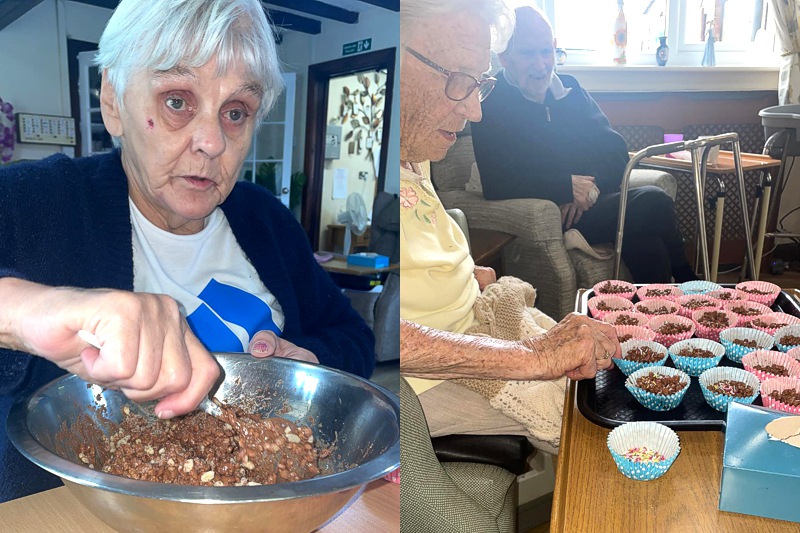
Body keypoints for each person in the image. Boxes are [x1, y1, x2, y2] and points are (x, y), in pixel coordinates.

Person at [0, 0, 374, 502]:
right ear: (113, 100)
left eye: (235, 112)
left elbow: (352, 336)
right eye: (177, 100)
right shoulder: (31, 201)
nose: (212, 142)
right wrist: (38, 310)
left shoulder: (266, 220)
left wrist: (309, 362)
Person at [399, 0, 618, 455]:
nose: (475, 111)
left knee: (607, 375)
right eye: (459, 80)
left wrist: (463, 277)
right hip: (422, 381)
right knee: (600, 429)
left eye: (479, 84)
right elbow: (377, 335)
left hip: (474, 320)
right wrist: (535, 357)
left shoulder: (412, 143)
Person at [471, 5, 697, 284]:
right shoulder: (490, 103)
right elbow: (497, 183)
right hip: (555, 217)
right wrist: (566, 186)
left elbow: (615, 151)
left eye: (546, 51)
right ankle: (691, 285)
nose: (541, 65)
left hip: (592, 206)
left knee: (648, 245)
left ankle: (659, 320)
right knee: (655, 200)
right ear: (505, 57)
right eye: (528, 54)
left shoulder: (570, 90)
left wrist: (589, 190)